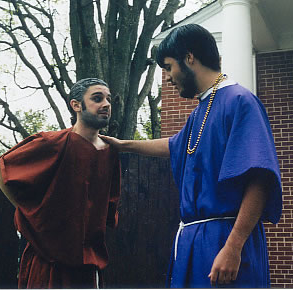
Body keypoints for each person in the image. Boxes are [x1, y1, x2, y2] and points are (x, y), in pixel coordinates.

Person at [100, 24, 282, 288]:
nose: (169, 77)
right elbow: (176, 145)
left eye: (168, 66)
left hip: (226, 242)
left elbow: (260, 179)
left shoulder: (239, 100)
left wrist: (233, 246)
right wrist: (123, 145)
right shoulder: (202, 109)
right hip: (194, 241)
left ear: (189, 57)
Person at [0, 78, 121, 288]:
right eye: (97, 99)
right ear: (76, 105)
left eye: (108, 99)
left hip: (88, 265)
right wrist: (27, 210)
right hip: (48, 261)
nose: (106, 104)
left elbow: (106, 209)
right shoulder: (53, 142)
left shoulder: (109, 152)